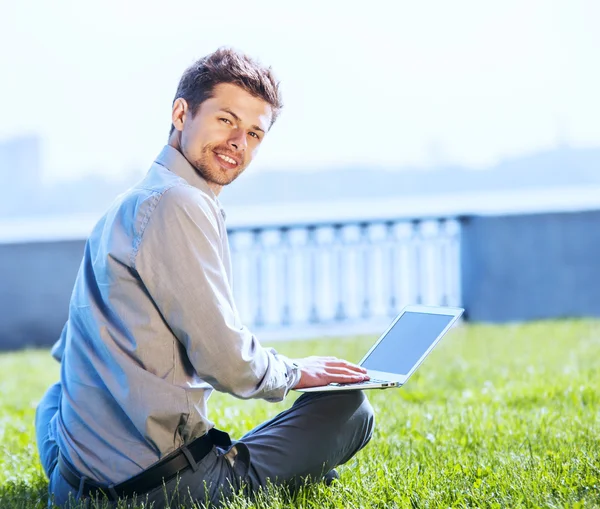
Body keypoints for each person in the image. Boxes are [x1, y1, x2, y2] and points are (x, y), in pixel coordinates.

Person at [35, 47, 375, 508]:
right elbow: (228, 364)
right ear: (181, 113)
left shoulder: (128, 202)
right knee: (351, 409)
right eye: (226, 120)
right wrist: (297, 371)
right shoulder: (180, 203)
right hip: (154, 490)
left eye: (255, 132)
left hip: (71, 479)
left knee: (54, 399)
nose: (240, 141)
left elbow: (68, 348)